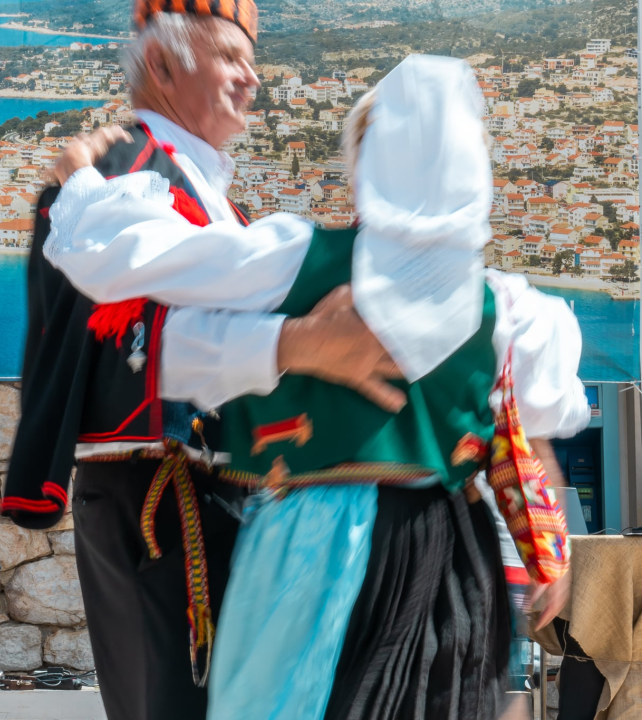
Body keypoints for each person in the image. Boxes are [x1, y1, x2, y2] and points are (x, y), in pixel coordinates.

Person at [45, 55, 588, 719]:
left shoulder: (293, 259)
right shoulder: (514, 311)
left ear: (367, 163)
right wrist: (548, 557)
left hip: (307, 539)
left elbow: (125, 259)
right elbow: (528, 436)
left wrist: (83, 186)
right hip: (448, 546)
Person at [2, 3, 406, 720]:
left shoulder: (194, 189)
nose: (251, 78)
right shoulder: (131, 168)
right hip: (166, 500)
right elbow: (141, 346)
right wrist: (299, 344)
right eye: (230, 57)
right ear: (161, 65)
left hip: (197, 498)